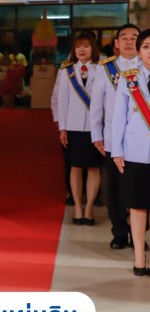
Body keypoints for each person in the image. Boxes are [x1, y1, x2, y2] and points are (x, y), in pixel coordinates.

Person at [88, 23, 141, 250]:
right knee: (116, 190)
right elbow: (96, 104)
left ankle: (138, 233)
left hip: (142, 141)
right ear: (116, 43)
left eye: (134, 37)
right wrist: (96, 134)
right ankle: (119, 232)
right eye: (124, 38)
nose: (129, 41)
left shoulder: (146, 67)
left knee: (141, 189)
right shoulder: (105, 68)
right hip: (113, 139)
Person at [112, 28, 150, 276]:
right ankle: (139, 258)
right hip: (136, 152)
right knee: (137, 206)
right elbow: (118, 118)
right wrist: (117, 151)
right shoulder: (129, 78)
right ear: (139, 52)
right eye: (146, 46)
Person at [57, 33, 101, 226]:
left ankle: (89, 208)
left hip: (96, 127)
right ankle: (77, 207)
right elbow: (62, 101)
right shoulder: (66, 71)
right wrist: (63, 127)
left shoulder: (102, 69)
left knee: (93, 167)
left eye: (86, 46)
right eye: (78, 47)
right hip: (74, 126)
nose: (82, 50)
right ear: (73, 50)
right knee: (74, 167)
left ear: (93, 48)